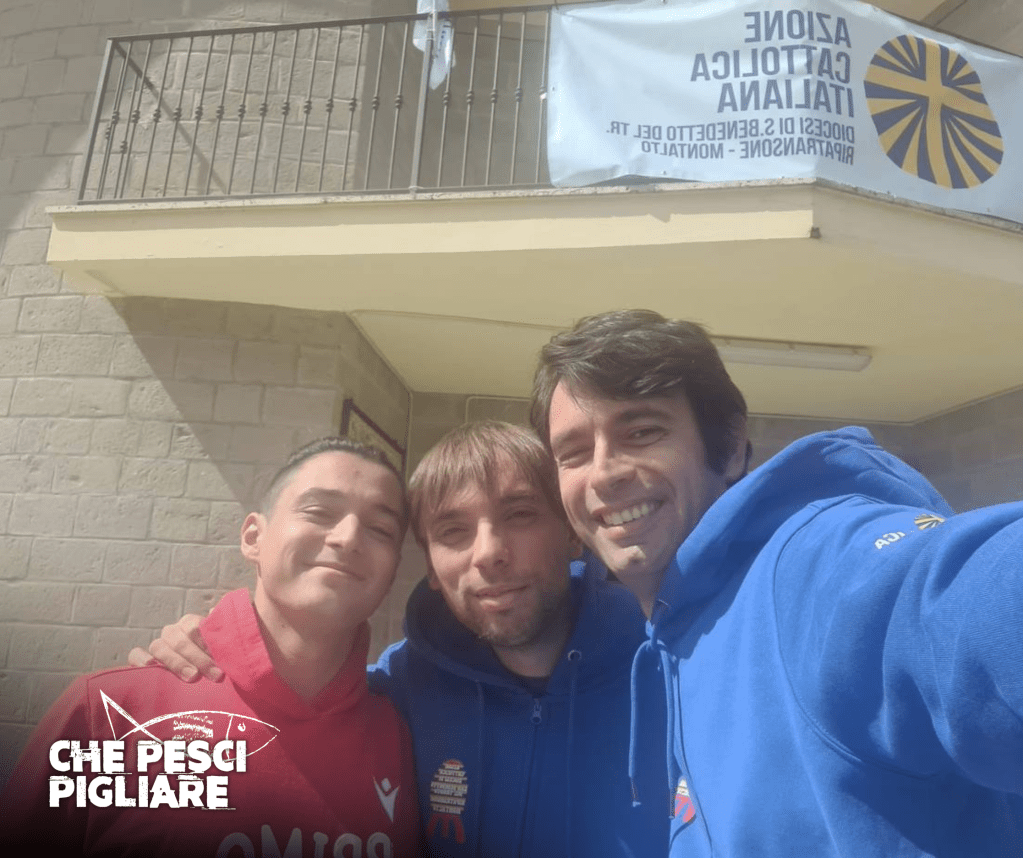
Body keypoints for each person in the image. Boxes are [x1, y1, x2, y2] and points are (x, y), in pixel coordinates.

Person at [531, 308, 1023, 857]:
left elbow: (964, 595)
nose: (603, 473)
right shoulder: (670, 633)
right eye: (574, 453)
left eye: (643, 432)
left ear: (730, 446)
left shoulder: (813, 571)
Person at [131, 421, 669, 857]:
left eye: (520, 515)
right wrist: (209, 646)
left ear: (572, 533)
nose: (488, 552)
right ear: (431, 567)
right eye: (453, 531)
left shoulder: (672, 669)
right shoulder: (399, 690)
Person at [0, 437, 421, 858]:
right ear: (253, 537)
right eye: (320, 512)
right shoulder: (108, 713)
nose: (349, 538)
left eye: (380, 529)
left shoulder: (401, 736)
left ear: (392, 572)